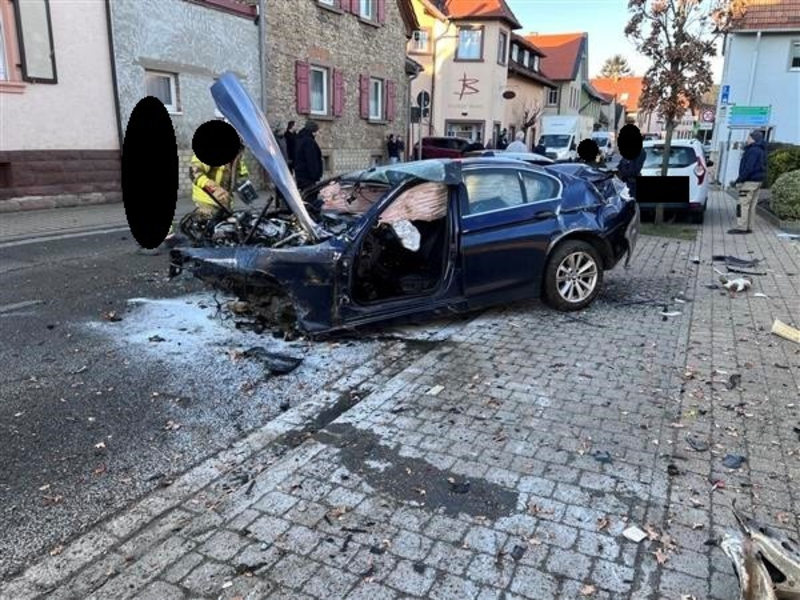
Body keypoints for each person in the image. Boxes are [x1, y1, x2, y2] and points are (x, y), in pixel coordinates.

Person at [189, 141, 249, 219]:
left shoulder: (238, 151)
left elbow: (240, 170)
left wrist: (243, 182)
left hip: (225, 201)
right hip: (207, 200)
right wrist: (214, 189)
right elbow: (194, 172)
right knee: (211, 227)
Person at [728, 129, 767, 234]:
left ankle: (741, 226)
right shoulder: (761, 150)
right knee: (752, 204)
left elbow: (748, 168)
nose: (747, 139)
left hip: (749, 181)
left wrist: (738, 180)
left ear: (754, 139)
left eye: (749, 137)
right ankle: (749, 226)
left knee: (743, 203)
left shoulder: (752, 150)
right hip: (758, 181)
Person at [294, 120, 323, 192]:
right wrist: (315, 176)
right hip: (308, 177)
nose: (317, 133)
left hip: (301, 175)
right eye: (317, 131)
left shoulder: (300, 139)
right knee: (311, 198)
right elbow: (312, 161)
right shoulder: (309, 142)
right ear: (313, 131)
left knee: (305, 196)